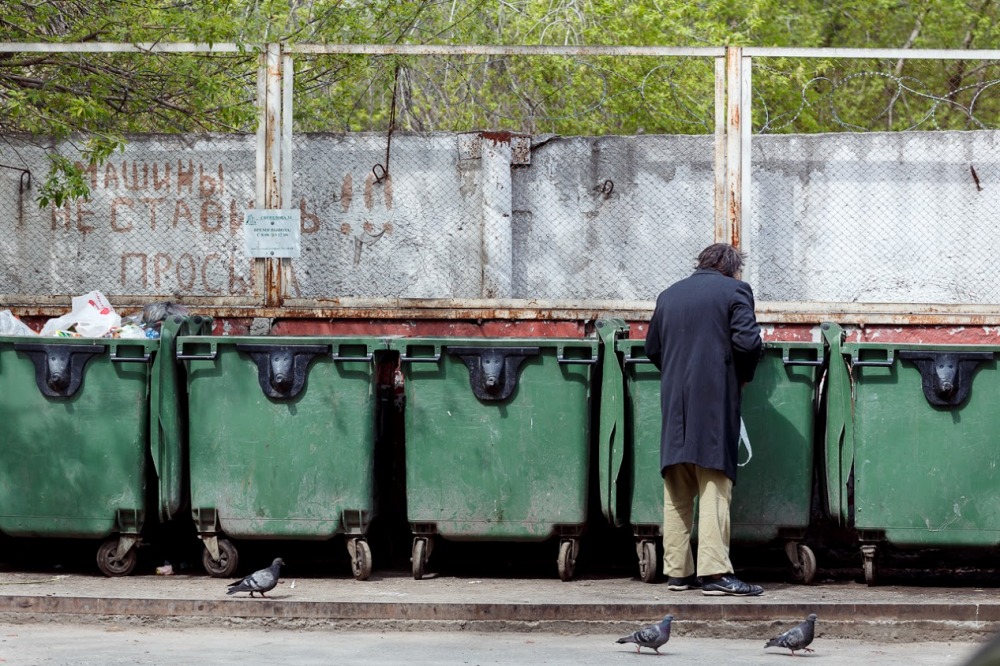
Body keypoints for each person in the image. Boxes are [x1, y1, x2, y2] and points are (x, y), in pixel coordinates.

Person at [644, 243, 764, 597]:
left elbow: (653, 348)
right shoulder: (735, 290)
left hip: (675, 403)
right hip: (713, 402)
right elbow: (747, 342)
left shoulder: (669, 295)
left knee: (678, 486)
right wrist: (742, 376)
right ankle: (714, 573)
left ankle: (678, 572)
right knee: (714, 484)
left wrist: (678, 374)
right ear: (731, 268)